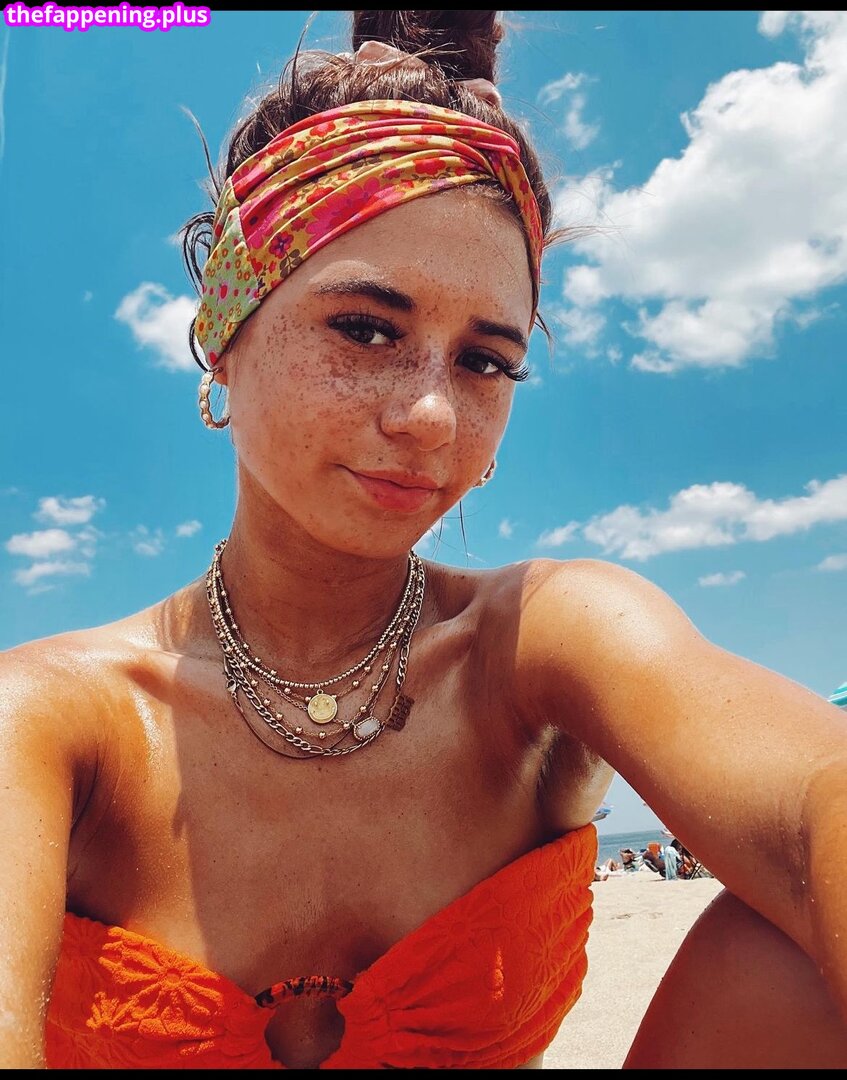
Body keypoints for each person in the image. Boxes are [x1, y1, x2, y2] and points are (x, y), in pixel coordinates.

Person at [1, 8, 846, 1072]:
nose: (431, 417)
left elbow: (817, 798)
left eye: (485, 362)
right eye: (364, 329)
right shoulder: (54, 722)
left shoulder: (537, 645)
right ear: (223, 331)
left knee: (785, 948)